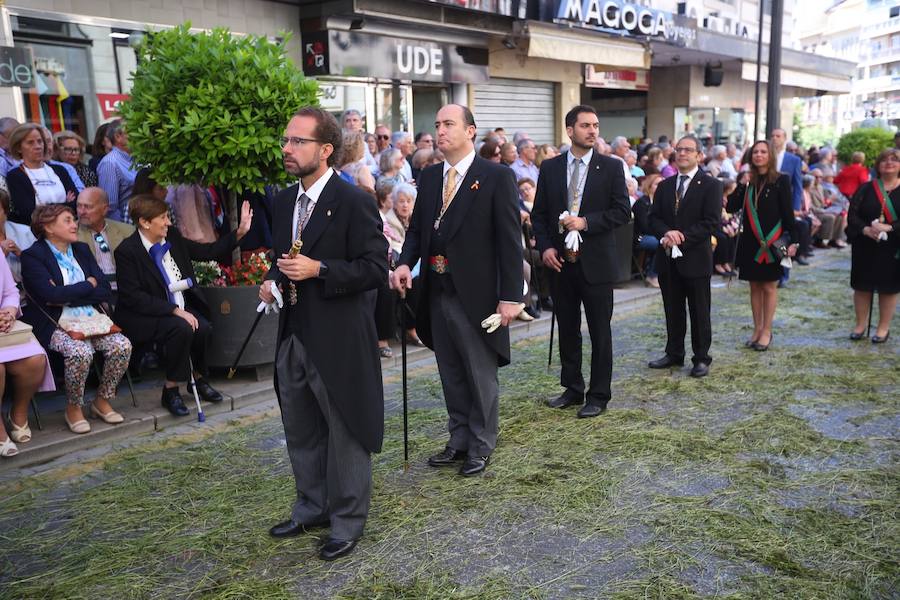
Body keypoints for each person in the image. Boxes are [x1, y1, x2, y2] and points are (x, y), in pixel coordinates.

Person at [260, 107, 387, 561]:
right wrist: (275, 280)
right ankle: (311, 507)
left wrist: (321, 270)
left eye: (298, 142)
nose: (287, 149)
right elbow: (284, 257)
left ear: (326, 149)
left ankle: (347, 520)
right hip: (292, 332)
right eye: (286, 140)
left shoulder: (354, 200)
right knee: (300, 427)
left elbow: (375, 268)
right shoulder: (281, 201)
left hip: (338, 337)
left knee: (345, 429)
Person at [392, 103, 521, 476]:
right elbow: (417, 231)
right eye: (437, 124)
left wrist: (510, 296)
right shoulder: (430, 177)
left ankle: (481, 444)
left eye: (449, 124)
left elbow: (510, 241)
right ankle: (459, 438)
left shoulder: (495, 177)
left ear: (470, 131)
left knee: (479, 373)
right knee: (450, 370)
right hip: (437, 288)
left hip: (477, 293)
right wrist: (404, 262)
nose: (440, 131)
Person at [531, 105, 631, 418]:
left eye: (596, 125)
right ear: (570, 130)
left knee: (600, 331)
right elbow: (540, 214)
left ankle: (598, 395)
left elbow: (622, 212)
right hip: (561, 262)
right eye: (586, 125)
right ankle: (572, 388)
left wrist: (586, 222)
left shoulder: (611, 167)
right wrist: (546, 248)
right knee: (568, 328)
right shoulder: (550, 168)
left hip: (597, 263)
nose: (593, 131)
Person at [114, 194, 250, 416]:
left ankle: (198, 378)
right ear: (145, 222)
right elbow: (133, 297)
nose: (168, 222)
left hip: (178, 305)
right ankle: (171, 389)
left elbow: (207, 253)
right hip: (146, 314)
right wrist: (174, 311)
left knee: (203, 327)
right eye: (163, 217)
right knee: (181, 328)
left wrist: (240, 233)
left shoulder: (173, 237)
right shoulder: (128, 251)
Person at [21, 204, 132, 434]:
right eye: (68, 220)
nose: (75, 225)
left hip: (92, 320)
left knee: (122, 346)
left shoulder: (81, 249)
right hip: (55, 323)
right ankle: (73, 408)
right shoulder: (33, 256)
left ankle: (102, 401)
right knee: (80, 352)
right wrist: (86, 285)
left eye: (73, 220)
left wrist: (68, 294)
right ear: (48, 227)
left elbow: (103, 289)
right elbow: (49, 296)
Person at [647, 135, 722, 378]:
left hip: (696, 259)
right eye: (679, 149)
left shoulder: (710, 185)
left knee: (699, 310)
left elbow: (711, 222)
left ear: (699, 155)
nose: (682, 153)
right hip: (668, 259)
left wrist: (682, 236)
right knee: (672, 308)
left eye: (688, 150)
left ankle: (701, 358)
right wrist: (667, 233)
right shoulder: (665, 185)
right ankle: (674, 353)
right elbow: (653, 218)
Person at [726, 140, 798, 351]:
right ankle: (757, 329)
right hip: (750, 242)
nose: (758, 155)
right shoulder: (748, 181)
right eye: (755, 152)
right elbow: (731, 207)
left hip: (773, 242)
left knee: (769, 286)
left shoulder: (781, 180)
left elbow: (788, 213)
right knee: (754, 286)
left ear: (770, 155)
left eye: (763, 152)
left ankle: (767, 330)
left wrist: (793, 241)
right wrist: (742, 184)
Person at [0, 254, 54, 457]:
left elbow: (10, 291)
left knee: (34, 360)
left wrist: (9, 312)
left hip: (5, 329)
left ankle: (18, 412)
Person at [846, 148, 899, 344]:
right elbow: (852, 215)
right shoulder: (866, 188)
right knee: (862, 286)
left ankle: (883, 328)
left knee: (888, 288)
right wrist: (865, 230)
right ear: (878, 165)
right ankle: (860, 325)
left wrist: (890, 227)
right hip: (865, 244)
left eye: (894, 159)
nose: (889, 163)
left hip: (893, 247)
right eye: (884, 159)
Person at [6, 124, 77, 225]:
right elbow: (28, 212)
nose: (38, 146)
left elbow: (76, 204)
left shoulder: (60, 170)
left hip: (67, 228)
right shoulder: (15, 176)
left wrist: (43, 208)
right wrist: (66, 204)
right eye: (30, 143)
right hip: (38, 234)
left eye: (40, 141)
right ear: (18, 148)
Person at [76, 187, 135, 290]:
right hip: (94, 292)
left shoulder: (128, 232)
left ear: (104, 209)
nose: (82, 212)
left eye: (88, 207)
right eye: (79, 206)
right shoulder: (71, 234)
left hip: (126, 289)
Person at [96, 119, 138, 223]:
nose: (139, 134)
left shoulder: (138, 158)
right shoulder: (110, 163)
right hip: (127, 226)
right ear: (118, 136)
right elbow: (110, 207)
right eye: (133, 131)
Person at [0, 188, 36, 281]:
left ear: (6, 211)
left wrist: (21, 254)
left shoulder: (25, 232)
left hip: (29, 290)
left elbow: (43, 266)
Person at [633, 173, 661, 287]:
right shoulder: (642, 203)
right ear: (649, 186)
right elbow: (645, 226)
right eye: (657, 184)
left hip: (653, 234)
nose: (660, 187)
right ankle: (652, 276)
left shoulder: (660, 202)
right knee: (661, 243)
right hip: (639, 237)